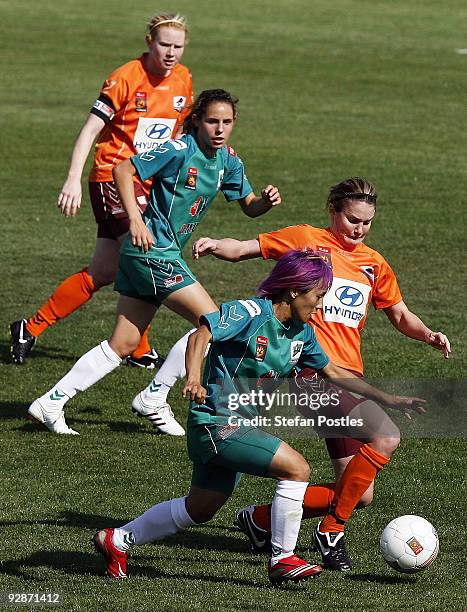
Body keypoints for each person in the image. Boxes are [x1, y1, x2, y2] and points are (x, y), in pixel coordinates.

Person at [133, 176, 450, 569]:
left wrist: (428, 335)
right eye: (352, 219)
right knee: (386, 436)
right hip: (311, 377)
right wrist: (217, 246)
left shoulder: (374, 264)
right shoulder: (306, 240)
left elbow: (400, 314)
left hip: (346, 378)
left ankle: (261, 519)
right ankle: (329, 531)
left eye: (367, 222)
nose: (360, 229)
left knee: (358, 492)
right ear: (333, 212)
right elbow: (250, 247)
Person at [91, 250, 425, 583]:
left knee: (201, 508)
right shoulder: (249, 313)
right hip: (217, 422)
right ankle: (283, 558)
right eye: (318, 296)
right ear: (295, 290)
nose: (321, 306)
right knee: (297, 468)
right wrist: (193, 377)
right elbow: (200, 334)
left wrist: (389, 399)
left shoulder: (301, 332)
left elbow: (334, 372)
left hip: (240, 425)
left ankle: (117, 540)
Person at [27, 88, 281, 435]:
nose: (219, 129)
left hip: (157, 254)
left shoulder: (228, 160)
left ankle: (51, 402)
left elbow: (249, 205)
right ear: (196, 121)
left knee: (125, 343)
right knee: (215, 322)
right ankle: (155, 396)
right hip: (152, 252)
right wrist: (134, 219)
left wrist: (265, 202)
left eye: (227, 122)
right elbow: (122, 169)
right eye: (212, 121)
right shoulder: (179, 150)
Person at [10, 12, 194, 369]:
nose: (171, 53)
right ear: (149, 42)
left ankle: (28, 328)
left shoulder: (184, 80)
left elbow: (178, 134)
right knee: (146, 256)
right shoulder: (125, 78)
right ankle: (137, 347)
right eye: (164, 45)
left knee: (105, 270)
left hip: (148, 185)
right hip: (112, 180)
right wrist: (72, 178)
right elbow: (90, 129)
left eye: (178, 46)